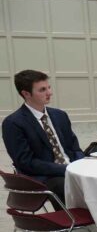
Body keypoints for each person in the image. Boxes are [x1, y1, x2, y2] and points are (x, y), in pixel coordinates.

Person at [2, 69, 84, 203]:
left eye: (49, 88)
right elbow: (26, 162)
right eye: (42, 90)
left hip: (71, 168)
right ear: (26, 94)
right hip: (43, 176)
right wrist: (65, 169)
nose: (49, 93)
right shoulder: (13, 123)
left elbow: (74, 148)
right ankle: (75, 220)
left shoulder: (60, 115)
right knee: (68, 185)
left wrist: (81, 164)